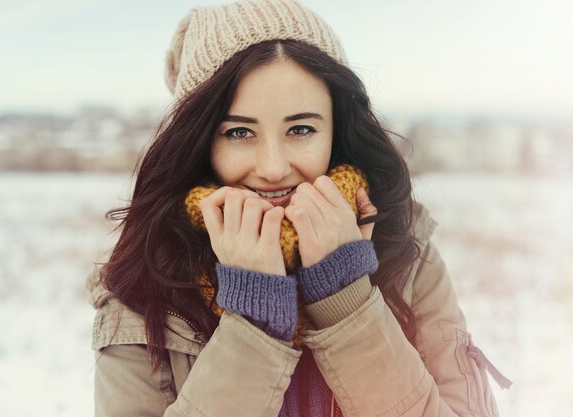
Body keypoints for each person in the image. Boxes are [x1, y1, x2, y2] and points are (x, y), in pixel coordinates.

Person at [87, 0, 512, 415]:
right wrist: (254, 319)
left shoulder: (406, 249)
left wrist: (348, 299)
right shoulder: (140, 288)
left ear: (338, 131)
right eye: (238, 133)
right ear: (198, 142)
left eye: (301, 129)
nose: (273, 168)